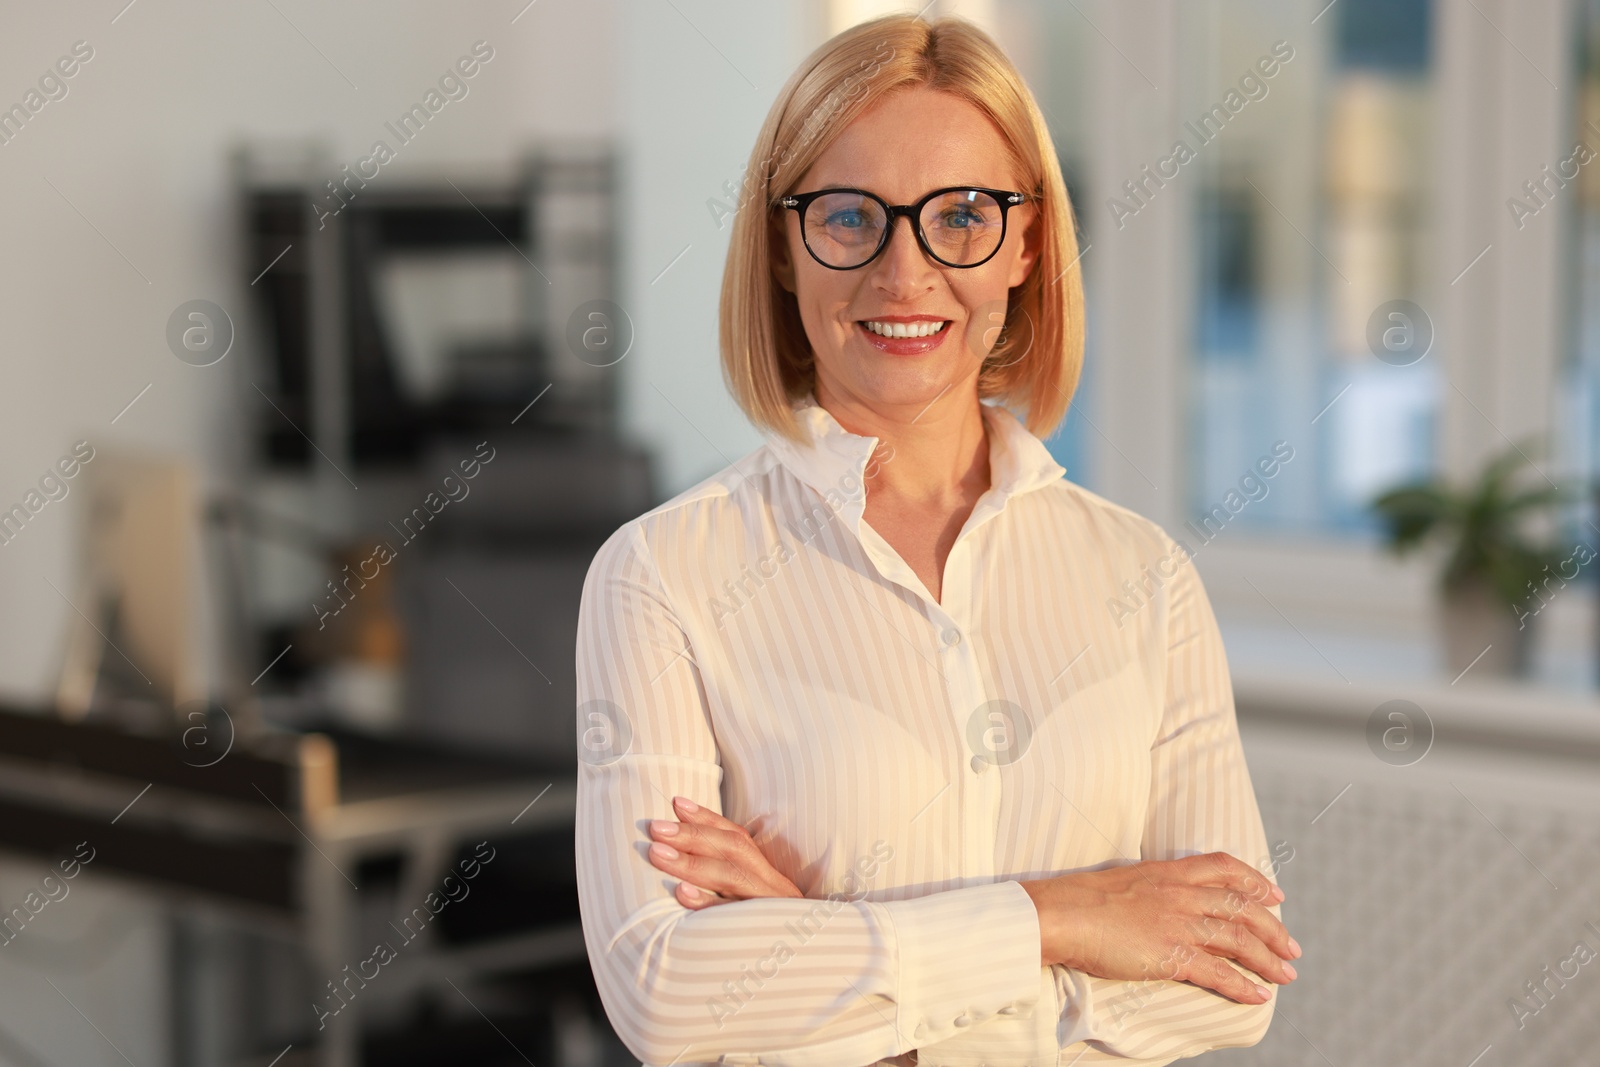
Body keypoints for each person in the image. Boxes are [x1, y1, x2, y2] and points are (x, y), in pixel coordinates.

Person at [574, 13, 1299, 1066]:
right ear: (784, 246)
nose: (903, 273)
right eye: (848, 216)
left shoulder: (1146, 580)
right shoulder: (661, 576)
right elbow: (666, 992)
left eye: (961, 215)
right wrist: (1062, 914)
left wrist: (825, 953)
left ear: (1026, 244)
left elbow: (1234, 986)